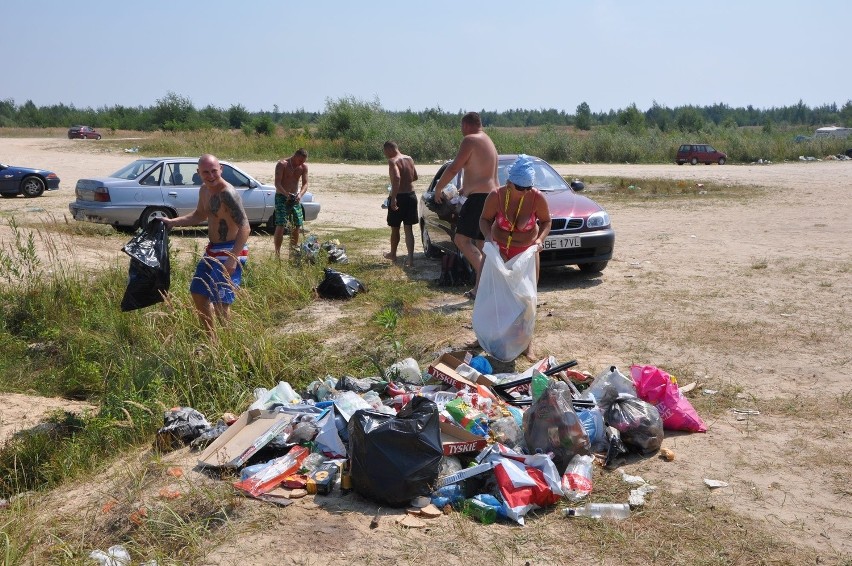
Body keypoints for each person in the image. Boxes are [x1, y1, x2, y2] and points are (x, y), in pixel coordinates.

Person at [161, 154, 250, 338]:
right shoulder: (204, 190)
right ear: (198, 173)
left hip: (232, 250)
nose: (210, 175)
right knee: (198, 292)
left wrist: (233, 259)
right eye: (205, 172)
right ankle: (213, 341)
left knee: (220, 302)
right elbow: (199, 215)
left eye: (214, 171)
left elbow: (245, 227)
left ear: (221, 170)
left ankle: (230, 345)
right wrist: (172, 222)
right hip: (212, 250)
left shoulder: (228, 193)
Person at [479, 154, 552, 359]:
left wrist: (539, 241)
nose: (525, 192)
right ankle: (486, 337)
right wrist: (487, 238)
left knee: (527, 299)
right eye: (521, 188)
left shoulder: (537, 198)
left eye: (529, 187)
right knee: (492, 295)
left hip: (526, 254)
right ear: (509, 183)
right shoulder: (496, 196)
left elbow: (547, 222)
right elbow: (484, 220)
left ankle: (527, 343)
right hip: (500, 252)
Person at [432, 111, 498, 299]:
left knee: (461, 240)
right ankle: (482, 287)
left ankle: (489, 280)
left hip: (479, 199)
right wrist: (464, 189)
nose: (461, 131)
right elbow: (484, 173)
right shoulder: (488, 140)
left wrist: (439, 188)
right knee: (481, 243)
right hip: (490, 196)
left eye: (461, 127)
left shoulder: (470, 140)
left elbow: (454, 167)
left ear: (467, 125)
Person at [382, 141, 419, 267]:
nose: (385, 155)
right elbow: (415, 177)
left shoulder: (393, 161)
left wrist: (393, 198)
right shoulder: (409, 158)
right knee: (408, 228)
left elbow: (397, 178)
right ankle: (410, 259)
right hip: (411, 195)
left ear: (389, 149)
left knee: (395, 227)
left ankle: (393, 254)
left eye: (385, 152)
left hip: (399, 196)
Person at [273, 148, 309, 258]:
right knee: (281, 224)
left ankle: (292, 253)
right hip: (282, 197)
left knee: (297, 225)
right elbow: (277, 183)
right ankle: (277, 254)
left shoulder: (303, 167)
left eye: (303, 161)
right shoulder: (282, 164)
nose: (302, 163)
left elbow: (305, 184)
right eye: (300, 160)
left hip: (294, 198)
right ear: (295, 156)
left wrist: (300, 195)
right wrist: (285, 194)